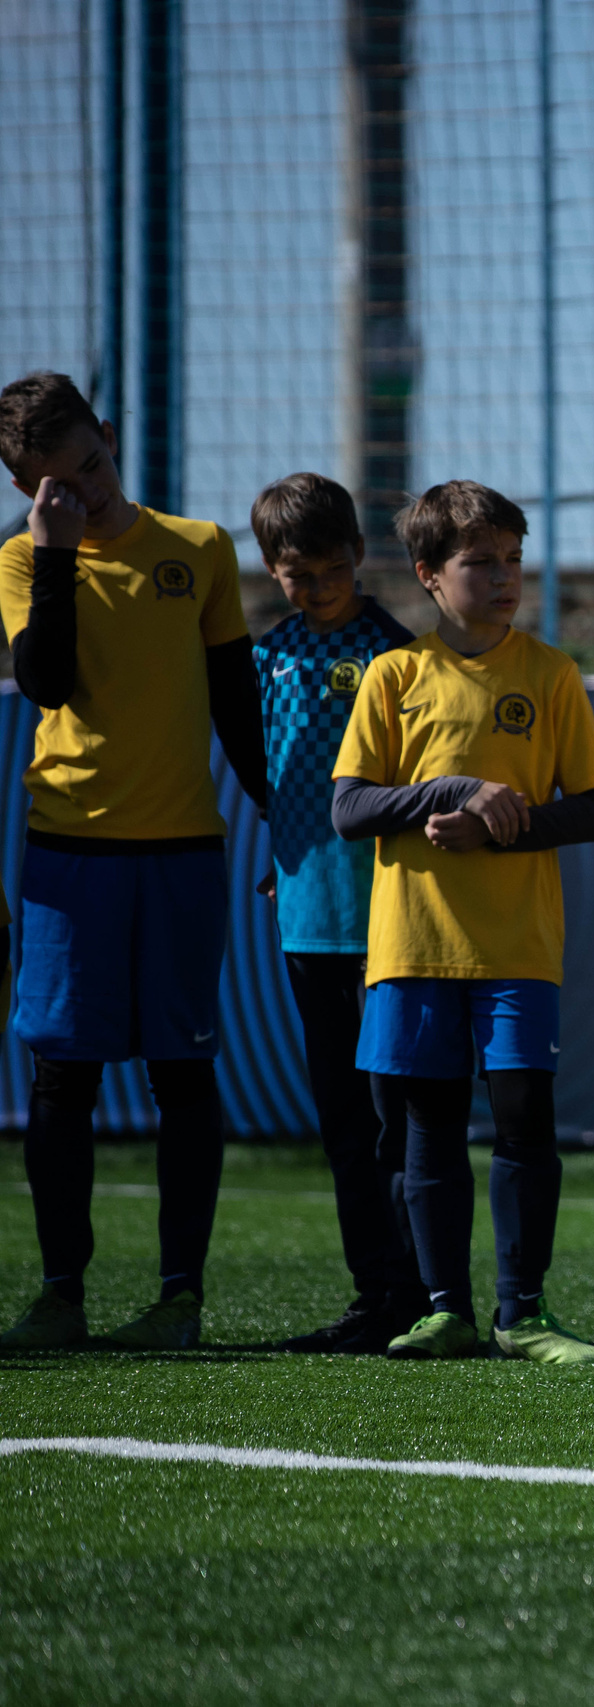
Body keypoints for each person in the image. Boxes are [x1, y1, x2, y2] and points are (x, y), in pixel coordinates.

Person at [0, 371, 267, 1352]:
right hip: (70, 855)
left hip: (183, 853)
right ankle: (62, 1293)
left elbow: (236, 701)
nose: (86, 488)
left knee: (182, 1075)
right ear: (30, 489)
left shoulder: (198, 549)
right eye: (58, 483)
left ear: (110, 437)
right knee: (63, 1079)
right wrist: (58, 552)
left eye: (93, 464)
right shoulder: (26, 563)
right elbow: (47, 682)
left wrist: (283, 819)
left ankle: (178, 1300)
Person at [331, 480, 594, 1362]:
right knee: (428, 1126)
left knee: (526, 1118)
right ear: (428, 574)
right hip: (415, 946)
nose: (503, 578)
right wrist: (454, 792)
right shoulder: (395, 675)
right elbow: (348, 808)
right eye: (479, 562)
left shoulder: (549, 672)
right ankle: (445, 1307)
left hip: (517, 947)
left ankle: (522, 1312)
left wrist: (500, 828)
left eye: (512, 560)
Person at [250, 473, 431, 1354]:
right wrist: (278, 863)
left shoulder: (393, 655)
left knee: (397, 1114)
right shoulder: (271, 655)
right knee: (342, 1122)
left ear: (360, 556)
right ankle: (374, 1291)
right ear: (271, 571)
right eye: (296, 575)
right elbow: (273, 780)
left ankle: (421, 1288)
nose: (315, 587)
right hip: (306, 921)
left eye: (329, 569)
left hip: (388, 920)